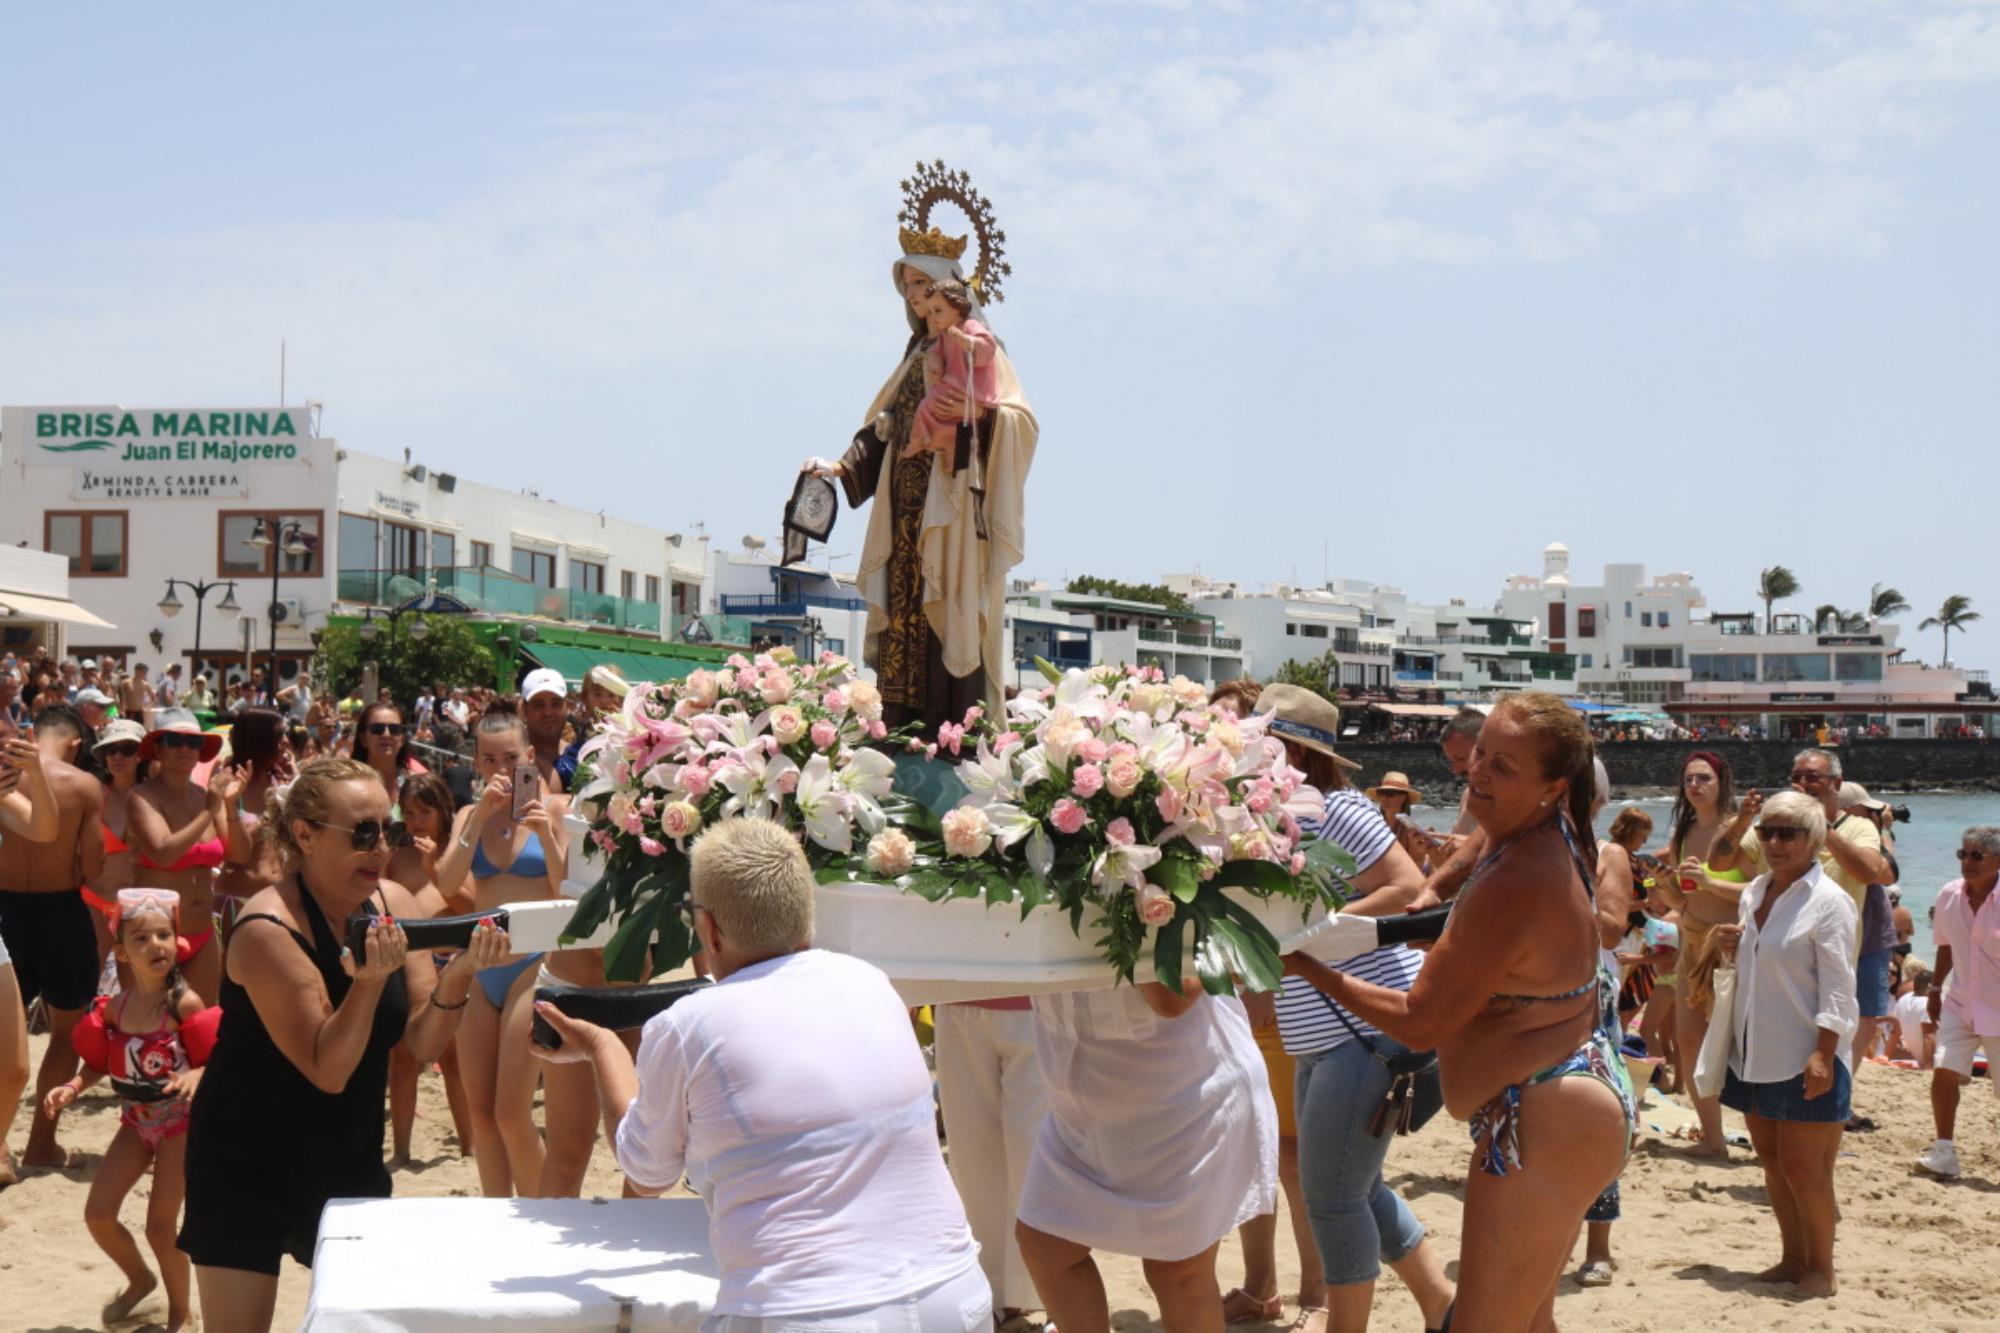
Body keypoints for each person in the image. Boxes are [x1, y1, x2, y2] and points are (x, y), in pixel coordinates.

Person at [535, 817, 989, 1331]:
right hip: (954, 1294)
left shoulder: (686, 1026)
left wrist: (601, 1048)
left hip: (806, 1312)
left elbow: (646, 1171)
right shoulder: (871, 982)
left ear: (708, 928)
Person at [1282, 693, 1635, 1331]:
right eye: (1480, 754)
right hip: (1562, 1101)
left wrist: (1303, 962)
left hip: (1550, 1115)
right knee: (1528, 1324)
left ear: (1553, 788)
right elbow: (1456, 866)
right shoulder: (1521, 830)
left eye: (1503, 766)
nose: (1478, 773)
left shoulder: (1519, 877)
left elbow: (1419, 1022)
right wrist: (1423, 901)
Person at [178, 756, 506, 1330]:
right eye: (361, 833)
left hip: (346, 1148)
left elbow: (421, 1043)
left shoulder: (394, 902)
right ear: (304, 835)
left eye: (389, 830)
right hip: (244, 1157)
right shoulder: (267, 929)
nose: (380, 848)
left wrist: (458, 977)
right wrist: (369, 984)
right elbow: (327, 1069)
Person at [800, 192, 1038, 741]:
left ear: (951, 291)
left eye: (922, 285)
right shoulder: (913, 358)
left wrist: (978, 416)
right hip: (902, 511)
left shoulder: (982, 351)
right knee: (902, 615)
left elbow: (1020, 421)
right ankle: (900, 731)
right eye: (907, 287)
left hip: (950, 509)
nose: (913, 297)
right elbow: (883, 428)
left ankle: (950, 737)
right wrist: (842, 468)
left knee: (948, 612)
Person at [1014, 850, 1278, 1332]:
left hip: (1183, 1099)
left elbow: (1171, 997)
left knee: (1177, 1271)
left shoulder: (1171, 851)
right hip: (1080, 1109)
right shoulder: (1036, 851)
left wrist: (1131, 897)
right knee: (1045, 1245)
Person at [1257, 685, 1452, 1333]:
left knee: (1333, 1196)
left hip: (1364, 1028)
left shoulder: (1339, 808)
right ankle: (1444, 1306)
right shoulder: (1276, 814)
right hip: (1325, 1028)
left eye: (1262, 743)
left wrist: (1312, 933)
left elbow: (1407, 886)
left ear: (1293, 752)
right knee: (1354, 1186)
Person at [1204, 679, 1324, 1329]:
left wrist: (1265, 986)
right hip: (1231, 995)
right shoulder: (1225, 796)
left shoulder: (1283, 804)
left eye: (1237, 719)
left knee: (1292, 1157)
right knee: (1255, 1154)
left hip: (1269, 995)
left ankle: (1316, 1291)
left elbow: (1287, 907)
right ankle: (1261, 1286)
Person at [45, 889, 218, 1332]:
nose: (155, 944)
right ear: (121, 952)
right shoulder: (117, 1010)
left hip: (179, 1123)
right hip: (136, 1121)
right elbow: (101, 1063)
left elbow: (216, 1061)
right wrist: (72, 1086)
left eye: (163, 934)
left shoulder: (184, 1004)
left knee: (161, 1227)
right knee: (98, 1214)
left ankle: (181, 1313)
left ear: (177, 942)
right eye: (141, 938)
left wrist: (198, 1075)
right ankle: (140, 1279)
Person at [1711, 790, 1857, 1299]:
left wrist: (1823, 1052)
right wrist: (1734, 946)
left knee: (1805, 1169)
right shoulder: (1755, 891)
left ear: (1813, 840)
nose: (1773, 842)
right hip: (1755, 1050)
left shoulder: (1829, 902)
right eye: (1766, 831)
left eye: (1786, 833)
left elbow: (1839, 985)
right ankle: (1793, 1259)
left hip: (1805, 1052)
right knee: (1773, 1164)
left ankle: (1822, 1270)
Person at [433, 703, 569, 1197]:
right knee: (482, 1113)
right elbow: (448, 883)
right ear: (476, 762)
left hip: (533, 962)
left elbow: (565, 891)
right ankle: (496, 1216)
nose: (501, 769)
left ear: (529, 756)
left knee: (512, 1112)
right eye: (489, 760)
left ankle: (540, 1215)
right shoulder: (470, 815)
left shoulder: (556, 808)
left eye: (510, 758)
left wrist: (545, 836)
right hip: (483, 961)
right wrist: (477, 822)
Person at [1, 704, 107, 1169]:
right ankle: (41, 1143)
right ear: (76, 744)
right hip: (60, 908)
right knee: (65, 1030)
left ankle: (0, 1139)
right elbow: (94, 866)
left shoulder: (7, 778)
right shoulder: (83, 785)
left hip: (5, 907)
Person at [1652, 751, 1748, 1159]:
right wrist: (1663, 884)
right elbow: (1681, 900)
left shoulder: (1742, 831)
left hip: (1733, 946)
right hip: (1692, 944)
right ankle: (1713, 1138)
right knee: (1689, 1040)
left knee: (1743, 1045)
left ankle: (1765, 1130)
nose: (1695, 785)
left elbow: (1761, 891)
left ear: (1721, 781)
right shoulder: (1683, 833)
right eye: (1689, 779)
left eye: (1704, 778)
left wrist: (1709, 881)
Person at [386, 771, 477, 1164]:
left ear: (442, 810)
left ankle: (470, 1147)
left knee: (454, 1059)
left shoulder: (458, 851)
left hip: (447, 961)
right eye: (408, 813)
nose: (415, 821)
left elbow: (471, 907)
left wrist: (433, 870)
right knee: (403, 1057)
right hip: (407, 962)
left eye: (423, 812)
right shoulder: (395, 854)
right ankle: (402, 1151)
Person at [128, 709, 238, 1009]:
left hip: (202, 931)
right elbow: (163, 853)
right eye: (174, 741)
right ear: (158, 749)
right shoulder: (141, 797)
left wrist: (228, 805)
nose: (184, 749)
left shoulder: (207, 795)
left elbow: (238, 853)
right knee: (152, 1025)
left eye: (193, 742)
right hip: (152, 933)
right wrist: (209, 810)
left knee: (201, 1025)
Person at [1914, 826, 2000, 1179]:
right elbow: (1946, 944)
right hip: (1960, 1002)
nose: (1967, 861)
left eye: (1977, 855)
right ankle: (1944, 1150)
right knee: (1944, 1071)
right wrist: (1935, 989)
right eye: (1962, 854)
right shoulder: (1949, 895)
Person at [1839, 784, 1900, 1092]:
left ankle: (1839, 1090)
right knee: (1864, 1017)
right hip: (1867, 938)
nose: (1877, 814)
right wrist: (1885, 831)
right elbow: (1888, 873)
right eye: (1871, 810)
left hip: (1866, 936)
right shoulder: (1856, 839)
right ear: (1853, 811)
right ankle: (1840, 1090)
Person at [906, 278, 999, 464]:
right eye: (931, 311)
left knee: (961, 422)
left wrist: (967, 341)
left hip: (970, 391)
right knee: (926, 407)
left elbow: (989, 348)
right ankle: (920, 441)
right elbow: (936, 352)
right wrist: (934, 359)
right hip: (949, 387)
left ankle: (955, 449)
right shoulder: (945, 335)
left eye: (938, 310)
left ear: (956, 308)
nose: (933, 317)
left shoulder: (970, 326)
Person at [556, 664, 628, 789]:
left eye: (611, 695)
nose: (605, 701)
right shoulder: (582, 739)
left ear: (621, 699)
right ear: (586, 699)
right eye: (597, 694)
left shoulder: (628, 731)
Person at [352, 699, 420, 805]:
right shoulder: (348, 784)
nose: (386, 735)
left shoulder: (415, 785)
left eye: (395, 729)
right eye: (377, 729)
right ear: (363, 739)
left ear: (402, 739)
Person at [1366, 771, 1433, 871]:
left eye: (1389, 794)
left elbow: (1416, 868)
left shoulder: (1411, 832)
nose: (1384, 798)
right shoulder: (1374, 826)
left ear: (1403, 798)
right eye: (1381, 793)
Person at [519, 668, 571, 791]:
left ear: (567, 706)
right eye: (539, 705)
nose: (548, 712)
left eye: (556, 704)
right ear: (524, 709)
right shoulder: (514, 759)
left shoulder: (580, 756)